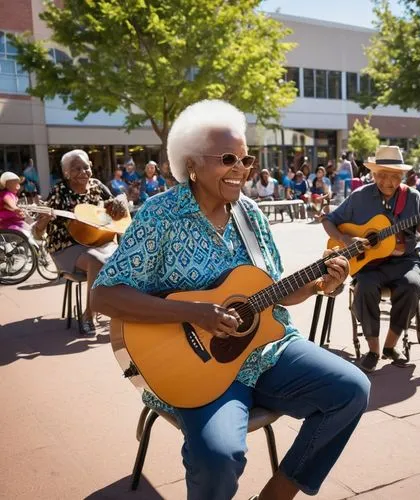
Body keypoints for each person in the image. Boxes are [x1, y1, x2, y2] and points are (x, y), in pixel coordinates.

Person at [91, 99, 370, 500]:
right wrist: (193, 312)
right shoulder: (160, 215)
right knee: (219, 456)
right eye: (227, 159)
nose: (240, 169)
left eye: (246, 160)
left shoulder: (251, 214)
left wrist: (321, 283)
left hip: (268, 352)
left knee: (352, 390)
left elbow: (272, 291)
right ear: (191, 163)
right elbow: (104, 295)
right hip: (196, 367)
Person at [322, 145, 420, 373]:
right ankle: (373, 349)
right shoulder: (359, 197)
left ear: (402, 176)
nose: (388, 182)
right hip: (370, 264)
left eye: (394, 177)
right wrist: (345, 239)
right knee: (365, 287)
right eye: (382, 176)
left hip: (405, 260)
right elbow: (328, 220)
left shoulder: (413, 198)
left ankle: (390, 346)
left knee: (412, 286)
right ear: (374, 174)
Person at [31, 149, 128, 336]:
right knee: (96, 261)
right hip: (66, 248)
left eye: (86, 167)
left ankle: (122, 309)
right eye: (76, 169)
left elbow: (117, 208)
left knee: (126, 258)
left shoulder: (98, 186)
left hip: (98, 241)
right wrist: (42, 222)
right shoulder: (59, 190)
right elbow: (37, 232)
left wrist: (117, 208)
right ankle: (88, 315)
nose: (83, 172)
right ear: (66, 173)